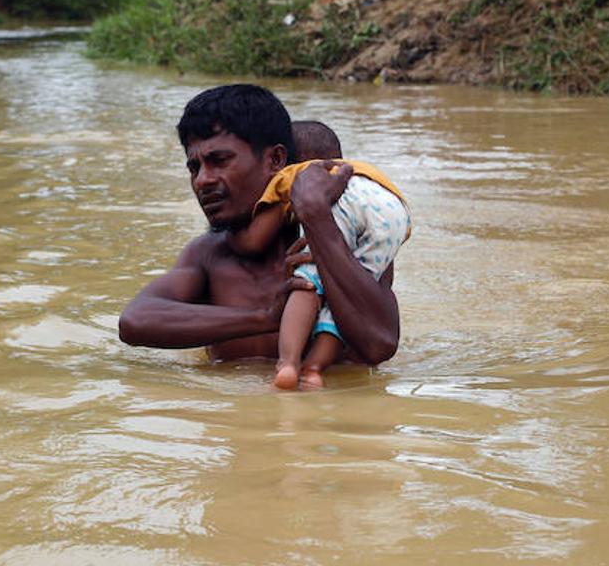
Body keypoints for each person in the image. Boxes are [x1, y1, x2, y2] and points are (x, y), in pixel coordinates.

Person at [117, 85, 402, 372]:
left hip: (333, 415)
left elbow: (378, 345)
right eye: (194, 167)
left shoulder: (354, 246)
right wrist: (263, 318)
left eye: (219, 161)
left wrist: (317, 219)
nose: (202, 180)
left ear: (277, 161)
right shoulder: (209, 254)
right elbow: (135, 321)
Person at [225, 121, 410, 389]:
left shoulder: (298, 175)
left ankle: (288, 364)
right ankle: (313, 368)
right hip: (394, 211)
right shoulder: (362, 174)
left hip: (340, 211)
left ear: (280, 160)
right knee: (345, 296)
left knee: (308, 279)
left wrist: (234, 235)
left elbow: (252, 241)